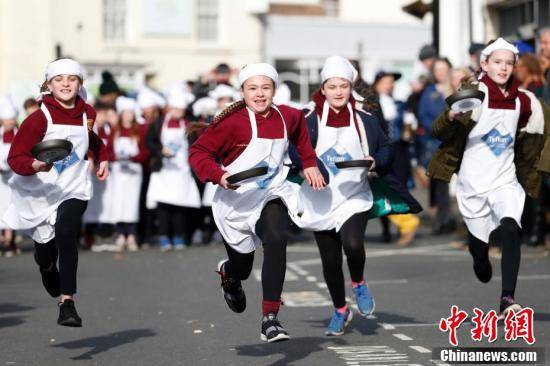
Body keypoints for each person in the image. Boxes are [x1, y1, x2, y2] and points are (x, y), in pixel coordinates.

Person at [190, 63, 325, 342]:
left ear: (274, 90)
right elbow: (199, 152)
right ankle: (229, 273)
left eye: (266, 88)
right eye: (253, 88)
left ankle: (270, 319)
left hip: (271, 193)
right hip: (236, 200)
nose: (260, 94)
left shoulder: (288, 116)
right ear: (243, 91)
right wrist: (220, 175)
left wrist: (309, 163)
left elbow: (301, 134)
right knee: (243, 266)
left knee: (277, 238)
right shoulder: (231, 122)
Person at [291, 56, 421, 335]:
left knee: (352, 244)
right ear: (323, 89)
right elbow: (293, 150)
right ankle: (340, 309)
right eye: (332, 86)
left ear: (351, 87)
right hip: (320, 198)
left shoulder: (366, 118)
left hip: (354, 194)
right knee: (330, 262)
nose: (338, 91)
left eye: (343, 86)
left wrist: (375, 161)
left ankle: (359, 282)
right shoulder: (307, 118)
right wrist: (307, 165)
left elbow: (386, 149)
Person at [427, 38, 550, 317]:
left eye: (508, 63)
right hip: (473, 185)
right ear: (485, 64)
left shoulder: (525, 101)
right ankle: (479, 258)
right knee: (480, 255)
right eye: (497, 62)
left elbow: (545, 128)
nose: (503, 68)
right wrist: (450, 117)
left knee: (510, 227)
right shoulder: (472, 94)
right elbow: (437, 130)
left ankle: (508, 297)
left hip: (505, 181)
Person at [3, 58, 109, 326]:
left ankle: (67, 302)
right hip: (40, 192)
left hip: (73, 188)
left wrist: (102, 156)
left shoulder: (88, 113)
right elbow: (15, 157)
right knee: (46, 250)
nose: (65, 84)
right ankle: (47, 266)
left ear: (80, 84)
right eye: (59, 79)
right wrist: (34, 164)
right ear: (49, 85)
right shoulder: (38, 118)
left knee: (66, 232)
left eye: (71, 79)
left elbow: (92, 139)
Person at [146, 87, 201, 251]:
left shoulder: (189, 124)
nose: (179, 112)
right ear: (170, 108)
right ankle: (163, 237)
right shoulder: (159, 123)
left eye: (182, 110)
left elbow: (196, 143)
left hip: (182, 170)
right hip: (164, 170)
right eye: (177, 109)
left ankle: (179, 236)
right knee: (163, 206)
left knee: (180, 206)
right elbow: (149, 142)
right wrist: (160, 150)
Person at [418, 57, 456, 235]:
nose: (441, 73)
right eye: (437, 69)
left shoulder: (456, 89)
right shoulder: (429, 92)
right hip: (435, 142)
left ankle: (450, 218)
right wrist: (437, 129)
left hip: (455, 141)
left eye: (444, 69)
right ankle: (442, 219)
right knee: (439, 183)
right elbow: (423, 115)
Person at [108, 96, 149, 251]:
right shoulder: (115, 131)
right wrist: (116, 158)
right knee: (119, 202)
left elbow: (145, 151)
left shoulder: (139, 130)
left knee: (132, 203)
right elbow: (108, 151)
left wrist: (133, 157)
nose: (127, 116)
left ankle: (131, 235)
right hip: (118, 172)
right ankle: (120, 235)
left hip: (134, 172)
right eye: (125, 113)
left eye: (130, 113)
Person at [0, 97, 19, 257]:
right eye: (7, 120)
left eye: (12, 119)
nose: (10, 123)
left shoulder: (18, 134)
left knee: (11, 207)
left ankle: (9, 239)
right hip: (0, 180)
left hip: (13, 178)